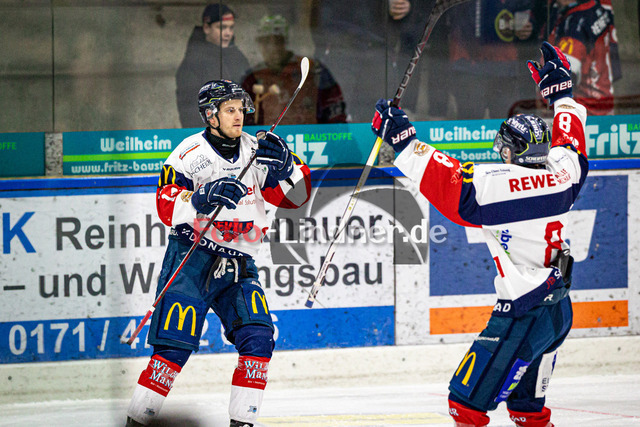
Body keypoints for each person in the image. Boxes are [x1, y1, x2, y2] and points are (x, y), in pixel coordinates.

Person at [372, 41, 588, 427]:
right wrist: (562, 96)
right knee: (528, 412)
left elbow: (454, 189)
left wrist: (402, 141)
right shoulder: (564, 173)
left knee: (466, 405)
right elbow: (570, 142)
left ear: (510, 152)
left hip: (524, 312)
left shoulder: (502, 185)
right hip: (558, 309)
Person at [126, 80, 311, 427]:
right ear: (210, 115)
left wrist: (287, 167)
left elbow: (296, 198)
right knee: (172, 351)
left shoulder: (259, 150)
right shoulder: (189, 153)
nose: (239, 116)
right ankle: (136, 422)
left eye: (241, 109)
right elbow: (165, 204)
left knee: (258, 340)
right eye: (230, 110)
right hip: (191, 259)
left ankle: (243, 423)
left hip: (238, 264)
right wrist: (200, 197)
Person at [242, 15, 346, 126]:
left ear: (286, 42)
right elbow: (242, 117)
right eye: (267, 42)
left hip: (309, 135)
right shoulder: (253, 78)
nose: (273, 47)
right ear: (260, 44)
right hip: (267, 136)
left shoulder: (311, 70)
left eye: (278, 41)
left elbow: (335, 113)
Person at [445, 0, 539, 119]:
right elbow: (451, 14)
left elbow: (527, 9)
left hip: (504, 67)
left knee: (504, 122)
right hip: (470, 64)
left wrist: (528, 26)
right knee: (470, 124)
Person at [175, 4, 251, 128]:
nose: (228, 33)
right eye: (222, 27)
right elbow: (190, 110)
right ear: (206, 28)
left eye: (231, 28)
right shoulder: (193, 62)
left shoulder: (238, 57)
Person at [548, 0, 621, 115]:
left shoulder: (575, 23)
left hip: (582, 111)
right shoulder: (595, 6)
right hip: (603, 101)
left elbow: (565, 76)